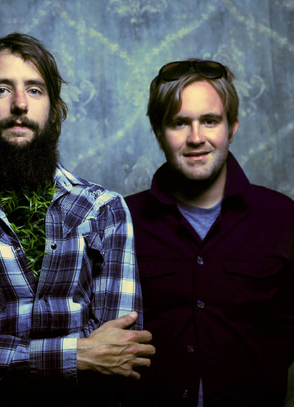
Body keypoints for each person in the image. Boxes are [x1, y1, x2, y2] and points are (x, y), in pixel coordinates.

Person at [0, 32, 155, 406]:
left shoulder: (104, 209)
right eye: (1, 89)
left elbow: (121, 348)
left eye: (35, 90)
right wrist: (76, 355)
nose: (20, 104)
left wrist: (0, 354)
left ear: (54, 109)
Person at [125, 59, 294, 406]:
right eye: (179, 123)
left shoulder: (283, 216)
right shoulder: (121, 220)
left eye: (210, 121)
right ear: (158, 131)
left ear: (232, 128)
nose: (196, 138)